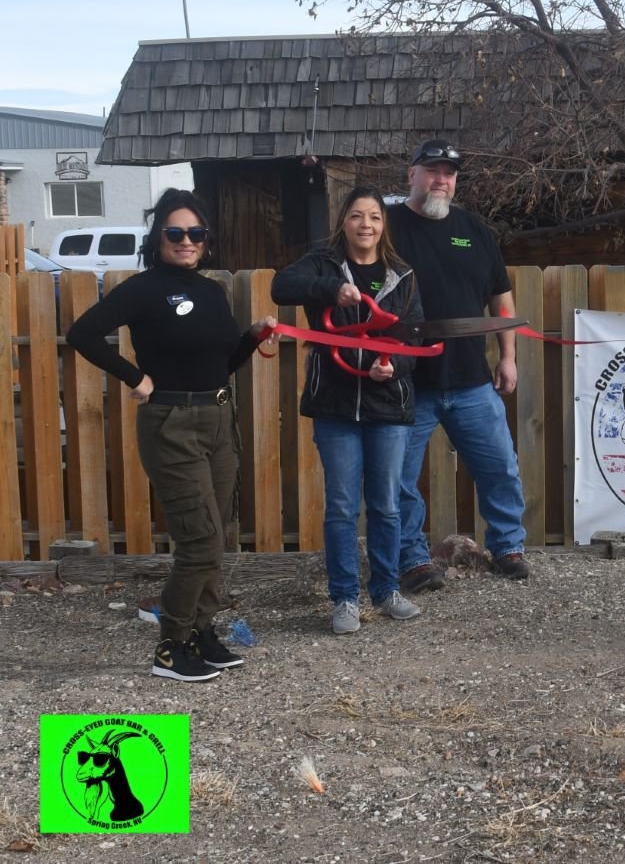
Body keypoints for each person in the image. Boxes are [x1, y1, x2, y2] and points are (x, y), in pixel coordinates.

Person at [67, 189, 278, 682]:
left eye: (196, 234)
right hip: (172, 423)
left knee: (217, 531)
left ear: (206, 241)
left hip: (218, 420)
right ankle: (170, 646)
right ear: (159, 237)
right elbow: (82, 333)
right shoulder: (144, 288)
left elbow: (223, 362)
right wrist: (134, 377)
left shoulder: (210, 291)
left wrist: (253, 336)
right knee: (199, 538)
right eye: (176, 233)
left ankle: (202, 632)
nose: (187, 242)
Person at [272, 186, 426, 634]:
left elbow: (413, 338)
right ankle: (344, 598)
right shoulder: (322, 263)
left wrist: (392, 367)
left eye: (375, 217)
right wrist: (331, 289)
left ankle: (385, 589)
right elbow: (281, 286)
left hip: (388, 406)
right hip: (335, 406)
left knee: (387, 505)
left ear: (383, 225)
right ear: (344, 221)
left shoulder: (404, 274)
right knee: (341, 506)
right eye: (357, 216)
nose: (366, 225)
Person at [386, 139, 530, 591]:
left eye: (448, 173)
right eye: (431, 170)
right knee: (399, 479)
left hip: (471, 381)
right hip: (408, 383)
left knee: (500, 467)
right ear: (412, 174)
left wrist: (507, 357)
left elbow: (499, 297)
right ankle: (412, 560)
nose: (440, 180)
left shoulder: (474, 229)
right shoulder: (386, 227)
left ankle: (507, 547)